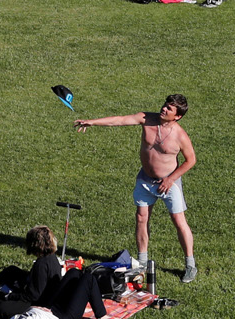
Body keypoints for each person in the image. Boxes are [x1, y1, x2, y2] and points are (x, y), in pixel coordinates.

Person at [75, 94, 198, 282]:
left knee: (178, 221)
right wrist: (92, 122)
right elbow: (120, 120)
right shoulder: (146, 119)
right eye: (165, 105)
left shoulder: (180, 135)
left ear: (177, 116)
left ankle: (190, 265)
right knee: (141, 218)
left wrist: (171, 179)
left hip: (169, 182)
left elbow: (191, 160)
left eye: (169, 109)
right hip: (145, 180)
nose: (164, 109)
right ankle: (142, 263)